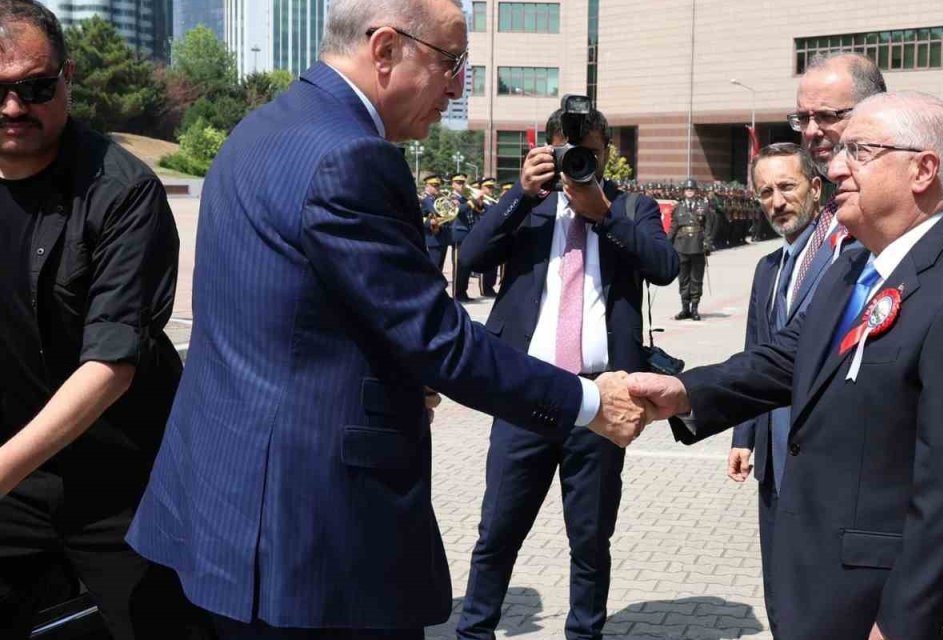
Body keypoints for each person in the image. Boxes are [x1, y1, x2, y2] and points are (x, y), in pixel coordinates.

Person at [123, 1, 647, 637]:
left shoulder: (262, 127)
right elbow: (437, 339)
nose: (456, 87)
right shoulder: (352, 157)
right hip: (310, 529)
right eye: (452, 64)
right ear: (386, 49)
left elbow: (294, 310)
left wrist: (393, 368)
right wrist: (589, 402)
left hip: (223, 502)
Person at [629, 92, 943, 640]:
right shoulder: (854, 265)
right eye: (839, 150)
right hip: (820, 584)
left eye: (859, 151)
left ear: (923, 169)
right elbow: (786, 358)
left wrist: (900, 624)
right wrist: (683, 392)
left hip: (882, 606)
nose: (835, 165)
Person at [0, 2, 213, 637]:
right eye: (0, 90)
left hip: (118, 486)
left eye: (34, 87)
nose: (14, 108)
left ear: (67, 79)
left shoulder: (122, 191)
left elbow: (111, 365)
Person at [456, 105, 677, 640]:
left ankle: (584, 634)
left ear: (606, 155)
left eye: (591, 154)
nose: (579, 162)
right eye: (566, 153)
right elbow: (470, 258)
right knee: (498, 531)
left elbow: (665, 268)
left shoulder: (630, 207)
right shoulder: (529, 210)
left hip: (602, 399)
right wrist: (520, 194)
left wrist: (604, 214)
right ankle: (474, 631)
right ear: (545, 151)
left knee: (591, 536)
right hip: (525, 395)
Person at [724, 143, 854, 634]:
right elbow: (755, 356)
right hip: (774, 460)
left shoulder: (849, 258)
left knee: (821, 594)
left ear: (816, 188)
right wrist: (743, 436)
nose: (776, 201)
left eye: (786, 187)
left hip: (826, 456)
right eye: (765, 192)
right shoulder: (767, 270)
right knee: (780, 590)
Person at [793, 53, 943, 232]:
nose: (810, 131)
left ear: (872, 108)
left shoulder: (927, 209)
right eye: (802, 118)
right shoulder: (840, 202)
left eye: (826, 116)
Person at [668, 178, 717, 320]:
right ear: (683, 192)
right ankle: (685, 308)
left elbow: (708, 226)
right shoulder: (678, 208)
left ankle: (695, 308)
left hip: (697, 245)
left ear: (696, 191)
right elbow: (673, 227)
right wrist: (666, 243)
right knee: (683, 279)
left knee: (696, 278)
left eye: (692, 189)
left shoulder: (703, 207)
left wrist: (708, 243)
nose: (689, 191)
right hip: (681, 246)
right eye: (687, 189)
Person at [449, 172, 479, 301]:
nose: (461, 185)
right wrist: (470, 204)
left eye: (462, 183)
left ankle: (463, 292)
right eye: (458, 183)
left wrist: (477, 202)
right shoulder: (450, 198)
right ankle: (457, 293)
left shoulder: (465, 199)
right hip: (458, 234)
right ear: (452, 184)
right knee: (459, 265)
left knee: (466, 265)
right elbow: (457, 211)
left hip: (467, 233)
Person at [475, 176, 499, 297]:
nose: (491, 190)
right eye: (488, 187)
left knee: (493, 264)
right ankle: (485, 288)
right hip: (485, 235)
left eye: (492, 187)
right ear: (481, 188)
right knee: (485, 263)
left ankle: (490, 287)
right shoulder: (481, 202)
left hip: (495, 235)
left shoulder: (492, 201)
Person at [421, 173, 448, 269]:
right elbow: (417, 217)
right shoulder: (422, 199)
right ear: (427, 186)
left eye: (438, 186)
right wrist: (429, 222)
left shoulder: (439, 199)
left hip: (442, 238)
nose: (437, 188)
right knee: (433, 268)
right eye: (434, 186)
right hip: (431, 238)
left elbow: (446, 215)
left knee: (439, 268)